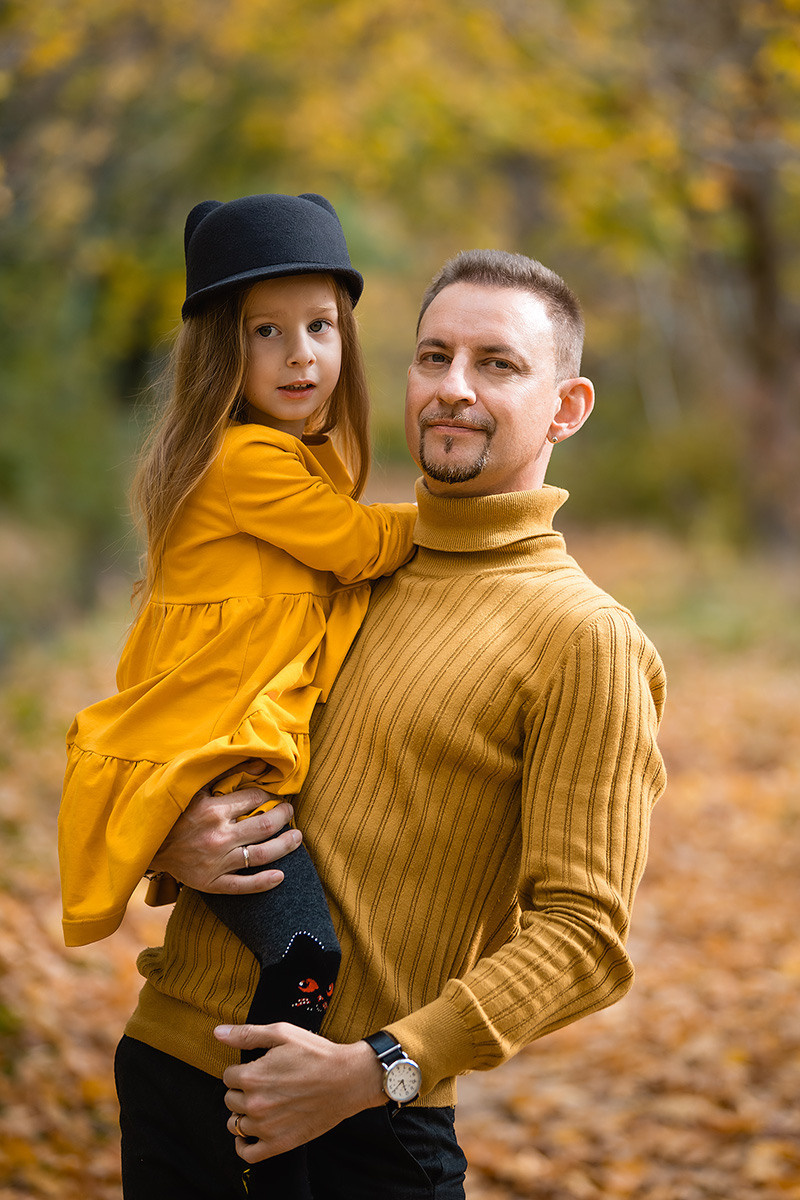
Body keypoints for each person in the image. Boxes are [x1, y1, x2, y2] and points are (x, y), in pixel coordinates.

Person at [114, 248, 668, 1200]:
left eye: (497, 364)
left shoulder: (586, 638)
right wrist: (171, 835)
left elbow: (585, 938)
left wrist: (377, 1069)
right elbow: (165, 726)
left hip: (357, 1132)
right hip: (168, 1067)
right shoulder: (324, 559)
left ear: (566, 407)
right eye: (433, 356)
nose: (452, 389)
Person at [58, 193, 417, 1194]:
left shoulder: (278, 460)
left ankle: (268, 1125)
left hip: (229, 746)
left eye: (320, 328)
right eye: (268, 333)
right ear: (226, 351)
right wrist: (459, 512)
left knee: (296, 947)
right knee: (306, 950)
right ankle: (272, 1129)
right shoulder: (248, 458)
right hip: (222, 753)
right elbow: (359, 548)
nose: (301, 356)